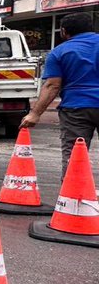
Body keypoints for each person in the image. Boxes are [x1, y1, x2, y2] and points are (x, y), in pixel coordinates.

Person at [20, 13, 99, 173]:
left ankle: (72, 195)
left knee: (75, 155)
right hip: (77, 107)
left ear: (63, 31)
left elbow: (52, 86)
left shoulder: (60, 52)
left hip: (76, 110)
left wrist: (35, 114)